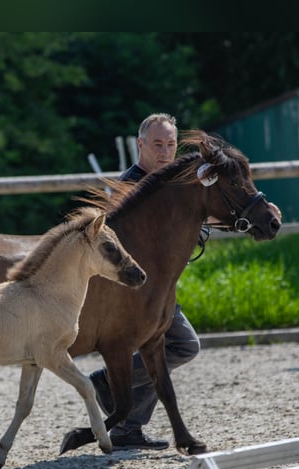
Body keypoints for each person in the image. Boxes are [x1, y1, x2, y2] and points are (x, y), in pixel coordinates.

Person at [89, 113, 201, 450]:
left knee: (174, 349)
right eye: (158, 145)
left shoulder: (168, 184)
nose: (166, 152)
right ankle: (112, 390)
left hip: (156, 294)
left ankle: (125, 420)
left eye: (170, 145)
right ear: (141, 145)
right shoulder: (131, 187)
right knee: (181, 345)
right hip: (134, 296)